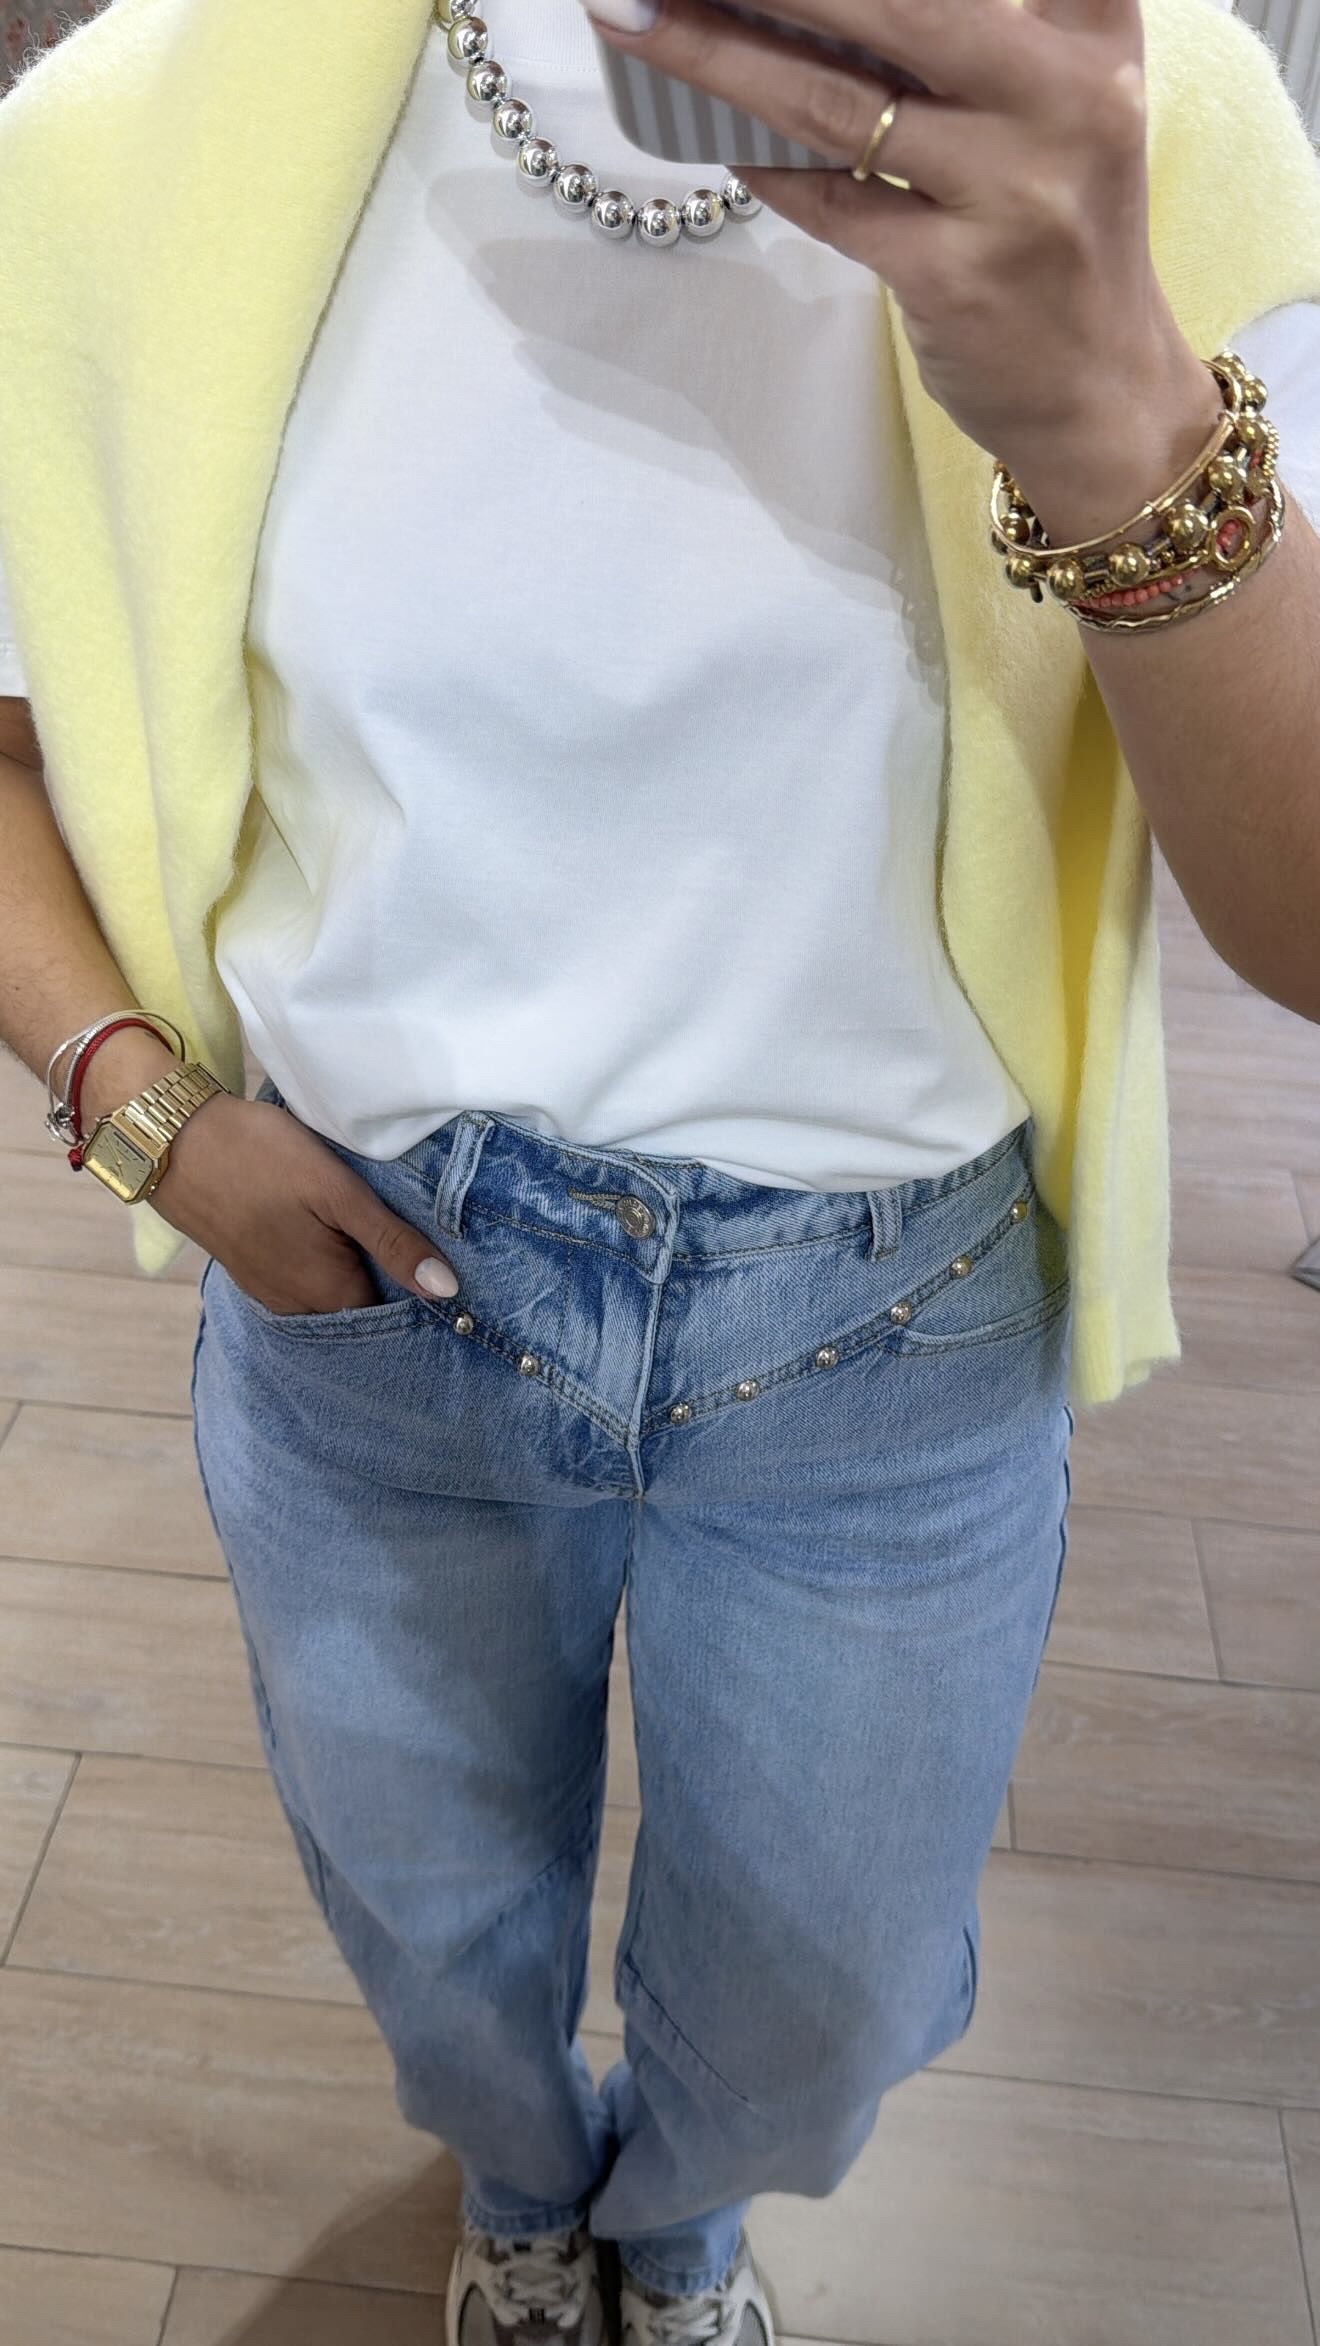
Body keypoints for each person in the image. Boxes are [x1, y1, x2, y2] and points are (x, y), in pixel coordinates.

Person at [2, 1, 1319, 2340]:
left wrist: (1115, 405)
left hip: (890, 1320)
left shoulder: (1156, 123)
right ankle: (526, 2192)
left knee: (829, 1994)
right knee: (429, 1924)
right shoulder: (130, 130)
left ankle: (681, 2220)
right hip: (373, 1278)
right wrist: (141, 1111)